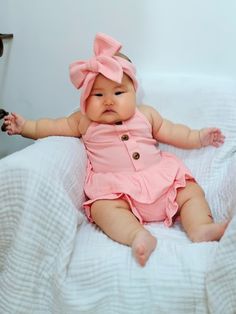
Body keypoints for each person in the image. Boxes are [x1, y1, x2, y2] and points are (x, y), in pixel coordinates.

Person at [3, 33, 228, 267]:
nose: (108, 101)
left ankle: (201, 228)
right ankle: (136, 235)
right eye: (98, 95)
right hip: (117, 192)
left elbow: (174, 131)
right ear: (85, 99)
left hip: (162, 182)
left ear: (133, 92)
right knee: (102, 209)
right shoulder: (83, 121)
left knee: (190, 192)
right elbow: (49, 126)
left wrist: (199, 137)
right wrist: (25, 126)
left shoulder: (146, 114)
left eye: (118, 93)